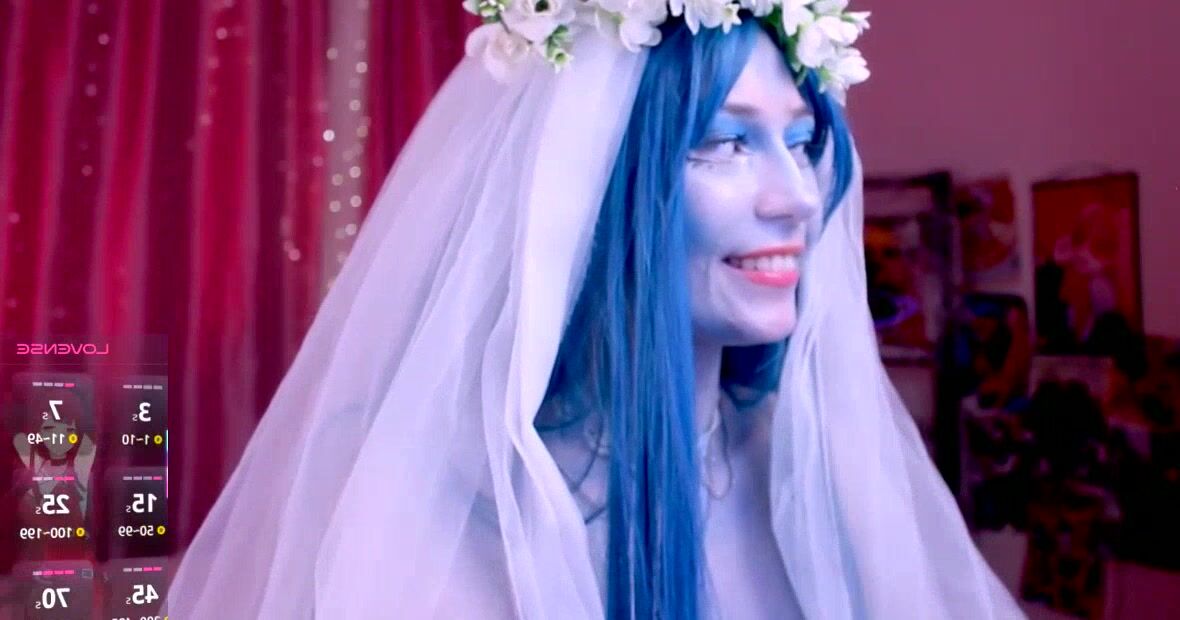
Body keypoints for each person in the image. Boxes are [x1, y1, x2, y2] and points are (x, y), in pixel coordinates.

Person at [165, 2, 1022, 618]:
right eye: (725, 143)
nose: (796, 196)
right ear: (591, 187)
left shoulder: (807, 460)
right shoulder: (422, 497)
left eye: (801, 143)